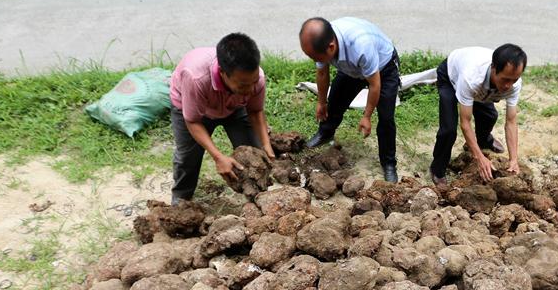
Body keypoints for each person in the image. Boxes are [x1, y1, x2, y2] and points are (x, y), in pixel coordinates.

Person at [168, 33, 275, 204]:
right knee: (188, 157)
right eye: (243, 85)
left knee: (254, 153)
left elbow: (255, 111)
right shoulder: (196, 78)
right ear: (223, 73)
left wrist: (266, 145)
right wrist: (218, 157)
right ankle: (181, 198)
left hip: (234, 106)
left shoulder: (256, 80)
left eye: (253, 82)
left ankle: (258, 197)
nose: (250, 89)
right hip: (193, 108)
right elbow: (193, 121)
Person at [299, 17, 401, 183]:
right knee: (335, 101)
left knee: (386, 117)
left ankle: (389, 163)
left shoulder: (361, 47)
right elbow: (322, 73)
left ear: (331, 47)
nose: (314, 61)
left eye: (316, 57)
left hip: (383, 69)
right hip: (351, 69)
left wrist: (367, 116)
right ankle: (325, 133)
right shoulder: (322, 40)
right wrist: (321, 102)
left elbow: (375, 85)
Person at [430, 44, 526, 185]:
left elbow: (511, 121)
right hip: (451, 76)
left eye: (514, 80)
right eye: (505, 79)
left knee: (489, 116)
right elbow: (465, 123)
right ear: (493, 68)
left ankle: (483, 140)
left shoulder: (513, 84)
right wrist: (479, 158)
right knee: (449, 130)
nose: (508, 86)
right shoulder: (472, 78)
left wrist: (513, 160)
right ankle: (437, 169)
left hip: (483, 86)